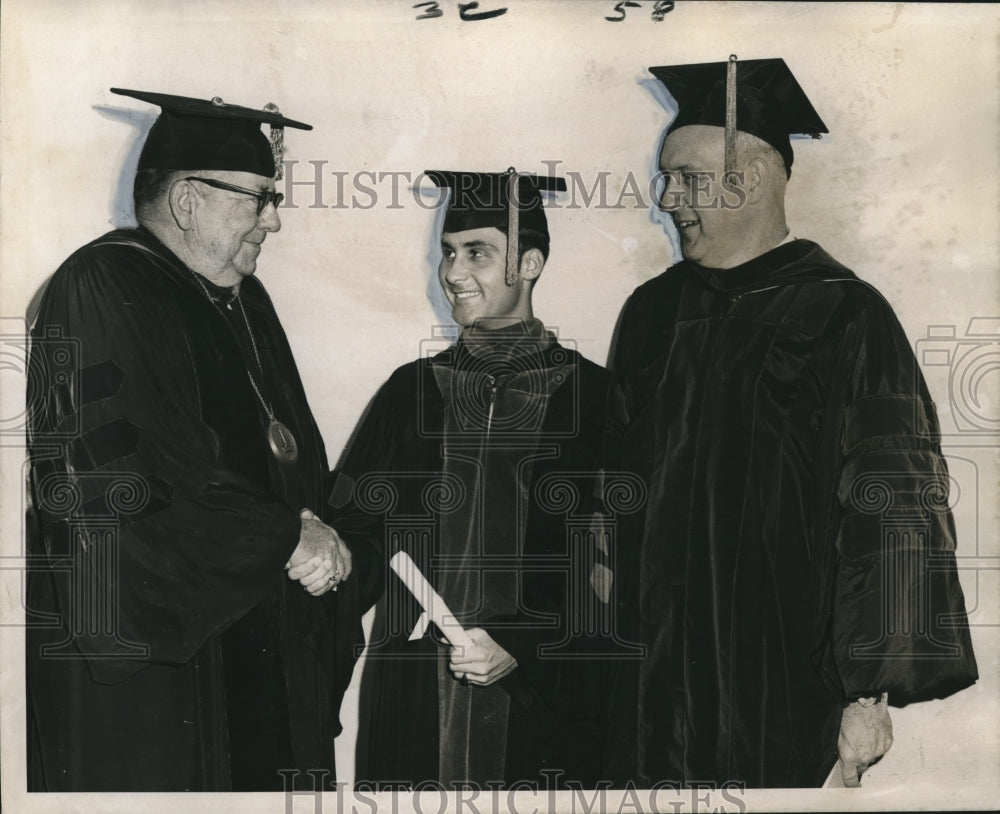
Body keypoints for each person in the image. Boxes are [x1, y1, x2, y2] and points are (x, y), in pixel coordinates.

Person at [606, 57, 979, 788]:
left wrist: (867, 690)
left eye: (684, 178)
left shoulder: (844, 312)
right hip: (650, 678)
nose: (665, 198)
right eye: (666, 177)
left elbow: (893, 505)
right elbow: (609, 485)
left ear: (746, 180)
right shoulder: (651, 314)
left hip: (781, 675)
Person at [25, 88, 361, 791]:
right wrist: (286, 537)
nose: (274, 221)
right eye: (258, 199)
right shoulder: (103, 282)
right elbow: (126, 473)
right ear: (186, 201)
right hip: (163, 663)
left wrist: (309, 526)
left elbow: (291, 455)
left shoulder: (243, 299)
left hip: (253, 624)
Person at [330, 169, 630, 789]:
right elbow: (354, 535)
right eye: (447, 252)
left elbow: (616, 555)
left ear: (531, 261)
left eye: (478, 253)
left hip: (542, 697)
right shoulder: (409, 393)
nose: (453, 272)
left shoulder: (596, 398)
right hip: (415, 691)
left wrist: (523, 641)